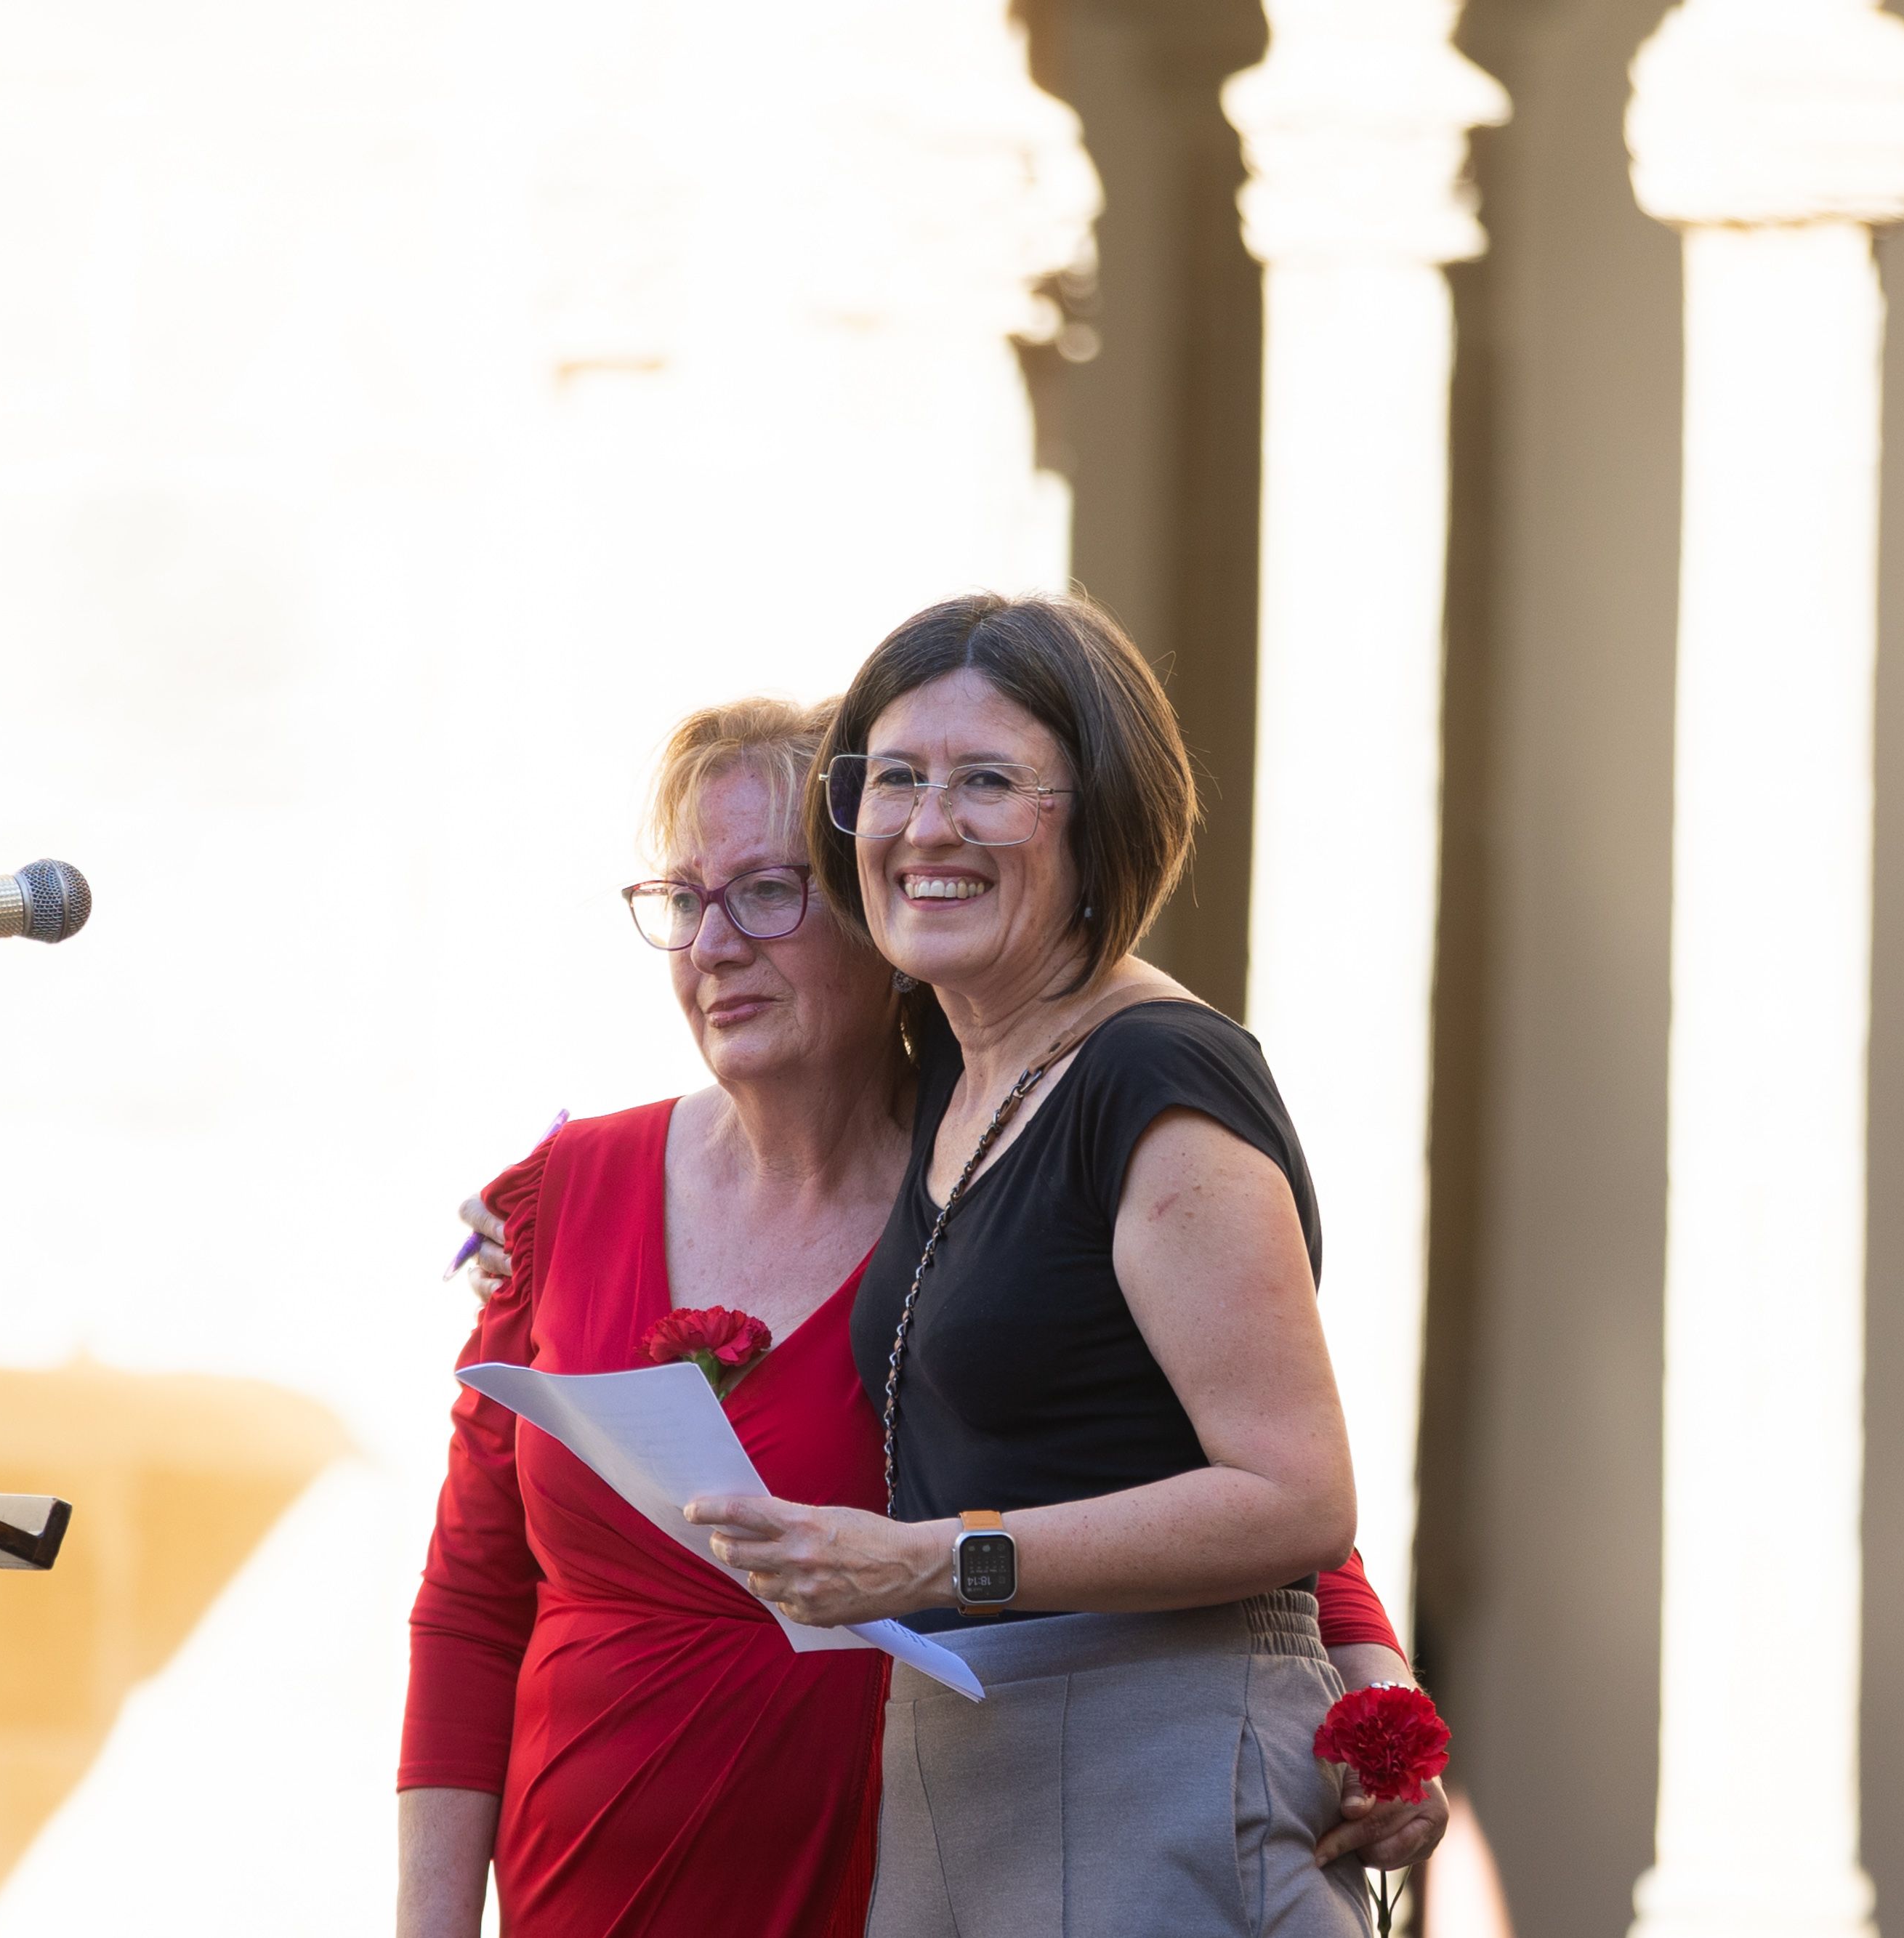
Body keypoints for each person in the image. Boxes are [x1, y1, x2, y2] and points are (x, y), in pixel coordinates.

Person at [403, 693, 1435, 1938]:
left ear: (880, 913)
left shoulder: (995, 1192)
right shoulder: (567, 1197)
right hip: (593, 1883)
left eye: (770, 892)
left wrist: (1378, 1702)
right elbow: (469, 1607)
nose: (715, 944)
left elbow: (1236, 1479)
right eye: (685, 901)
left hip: (922, 1866)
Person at [683, 593, 1397, 1936]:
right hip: (978, 1777)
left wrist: (935, 1564)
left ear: (1098, 818)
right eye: (893, 778)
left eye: (989, 782)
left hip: (1153, 1771)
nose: (927, 823)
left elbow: (1296, 1498)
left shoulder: (1158, 1079)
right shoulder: (967, 1061)